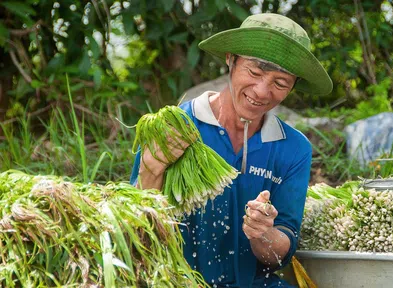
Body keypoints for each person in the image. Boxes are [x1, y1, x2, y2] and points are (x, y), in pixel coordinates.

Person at [130, 13, 332, 287]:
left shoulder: (293, 149)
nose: (261, 91)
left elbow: (280, 252)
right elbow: (134, 232)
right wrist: (151, 170)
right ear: (230, 59)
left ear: (293, 86)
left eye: (280, 83)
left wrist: (263, 234)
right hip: (174, 281)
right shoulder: (175, 127)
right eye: (254, 72)